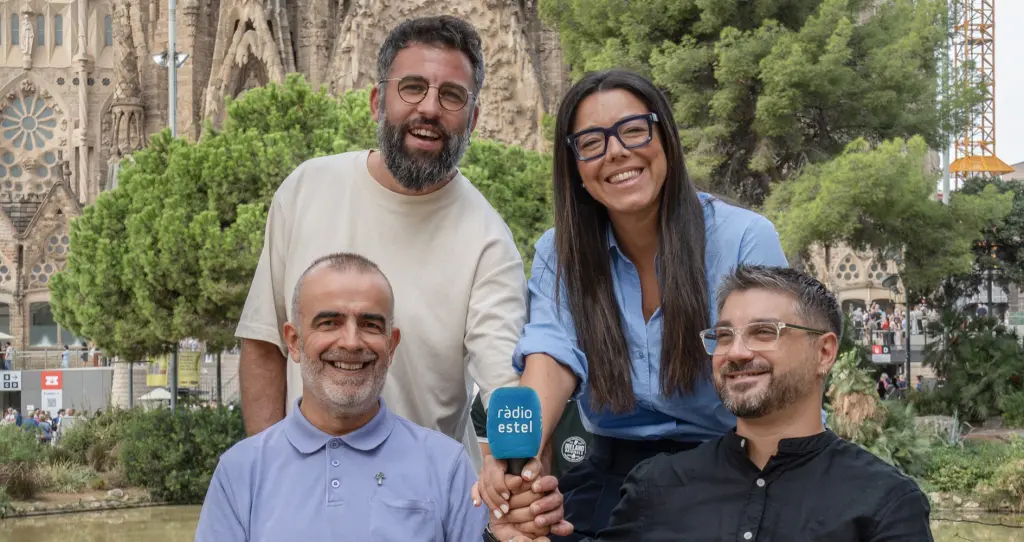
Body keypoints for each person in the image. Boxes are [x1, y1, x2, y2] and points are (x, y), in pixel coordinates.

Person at [233, 17, 564, 529]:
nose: (429, 108)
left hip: (419, 508)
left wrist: (517, 469)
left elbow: (503, 383)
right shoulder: (305, 190)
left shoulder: (488, 240)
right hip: (301, 491)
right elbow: (263, 344)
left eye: (452, 96)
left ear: (473, 119)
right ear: (376, 102)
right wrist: (268, 479)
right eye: (412, 87)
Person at [475, 69, 794, 541]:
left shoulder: (744, 239)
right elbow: (551, 358)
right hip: (616, 476)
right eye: (591, 142)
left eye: (633, 130)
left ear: (665, 138)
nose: (616, 151)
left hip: (738, 464)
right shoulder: (559, 252)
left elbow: (780, 379)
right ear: (576, 168)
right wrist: (516, 464)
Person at [197, 253, 566, 541]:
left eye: (370, 325)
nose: (351, 342)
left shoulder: (446, 465)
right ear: (294, 341)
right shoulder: (240, 471)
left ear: (391, 346)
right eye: (329, 322)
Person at [580, 265, 932, 541]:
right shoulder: (657, 485)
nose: (735, 352)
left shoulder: (885, 502)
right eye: (723, 336)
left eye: (764, 332)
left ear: (824, 352)